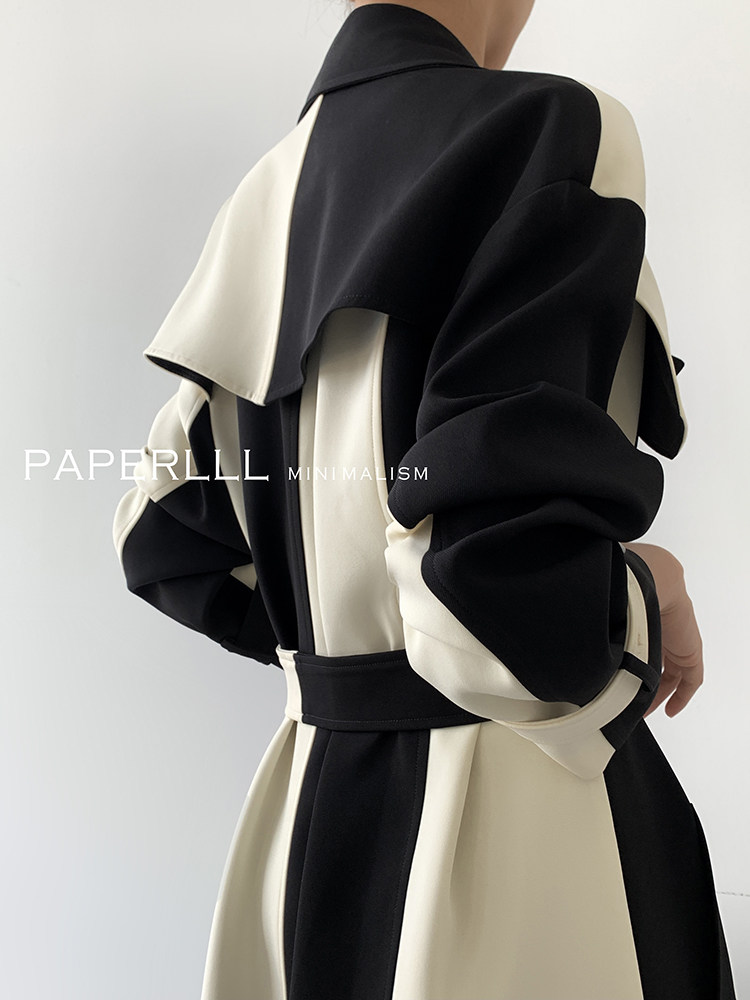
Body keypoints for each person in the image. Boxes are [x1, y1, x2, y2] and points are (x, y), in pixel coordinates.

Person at [112, 1, 737, 997]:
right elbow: (492, 584)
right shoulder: (548, 130)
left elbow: (164, 532)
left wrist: (348, 653)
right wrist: (643, 591)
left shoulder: (267, 191)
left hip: (308, 825)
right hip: (516, 833)